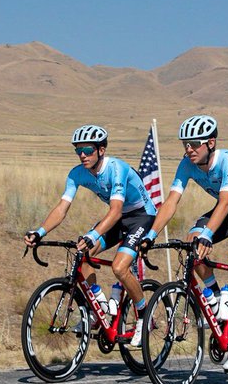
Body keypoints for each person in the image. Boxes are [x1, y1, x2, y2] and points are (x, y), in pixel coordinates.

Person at [144, 115, 228, 371]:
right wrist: (150, 235)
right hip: (226, 210)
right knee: (192, 243)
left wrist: (209, 233)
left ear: (210, 143)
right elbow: (171, 202)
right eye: (185, 144)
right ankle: (216, 295)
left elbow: (224, 202)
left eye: (194, 144)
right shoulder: (186, 164)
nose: (188, 149)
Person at [24, 125, 156, 346]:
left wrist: (94, 234)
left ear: (101, 150)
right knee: (82, 253)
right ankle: (100, 307)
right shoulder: (77, 174)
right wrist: (39, 232)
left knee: (119, 267)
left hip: (142, 216)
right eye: (78, 150)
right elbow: (62, 208)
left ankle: (144, 317)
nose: (82, 155)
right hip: (119, 217)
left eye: (87, 149)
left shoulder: (116, 169)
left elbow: (114, 211)